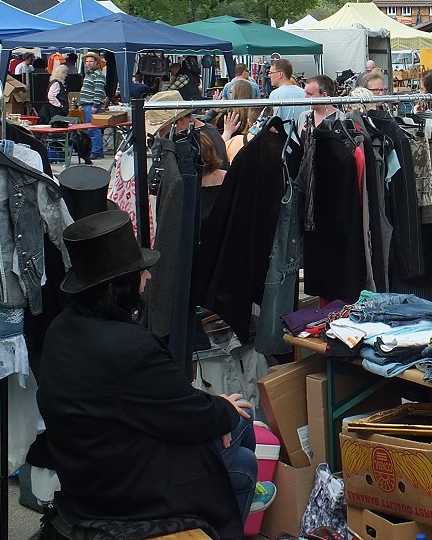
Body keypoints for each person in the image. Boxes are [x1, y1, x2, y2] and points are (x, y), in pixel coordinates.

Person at [36, 210, 274, 538]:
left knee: (240, 421)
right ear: (116, 287)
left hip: (87, 466)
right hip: (121, 487)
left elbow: (165, 401)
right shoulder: (129, 346)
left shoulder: (62, 328)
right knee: (245, 463)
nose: (147, 278)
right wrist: (219, 413)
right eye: (140, 271)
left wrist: (218, 411)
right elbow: (182, 413)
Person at [221, 80, 260, 163]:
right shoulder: (254, 113)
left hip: (229, 151)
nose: (229, 95)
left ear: (237, 94)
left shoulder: (228, 113)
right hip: (250, 151)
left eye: (231, 92)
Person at [80, 51, 107, 159]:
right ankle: (94, 150)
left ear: (96, 62)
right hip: (87, 104)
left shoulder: (98, 75)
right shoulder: (89, 74)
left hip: (92, 105)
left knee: (94, 129)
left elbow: (98, 91)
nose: (88, 63)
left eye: (91, 61)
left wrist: (95, 106)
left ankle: (97, 151)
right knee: (91, 129)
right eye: (87, 61)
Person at [267, 58, 306, 129]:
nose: (269, 76)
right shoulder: (304, 93)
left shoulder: (276, 94)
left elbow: (274, 125)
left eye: (271, 73)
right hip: (302, 138)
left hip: (284, 138)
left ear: (280, 74)